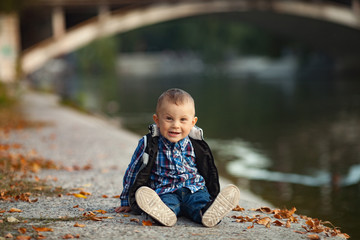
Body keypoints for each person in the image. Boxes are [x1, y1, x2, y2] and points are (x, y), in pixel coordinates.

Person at [115, 88, 240, 227]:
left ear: (193, 122)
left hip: (194, 189)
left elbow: (207, 169)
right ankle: (160, 214)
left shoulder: (196, 144)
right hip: (165, 190)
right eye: (169, 119)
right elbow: (133, 171)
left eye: (183, 120)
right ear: (157, 120)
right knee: (166, 205)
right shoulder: (149, 143)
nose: (176, 125)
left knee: (200, 203)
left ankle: (209, 213)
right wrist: (126, 200)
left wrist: (212, 191)